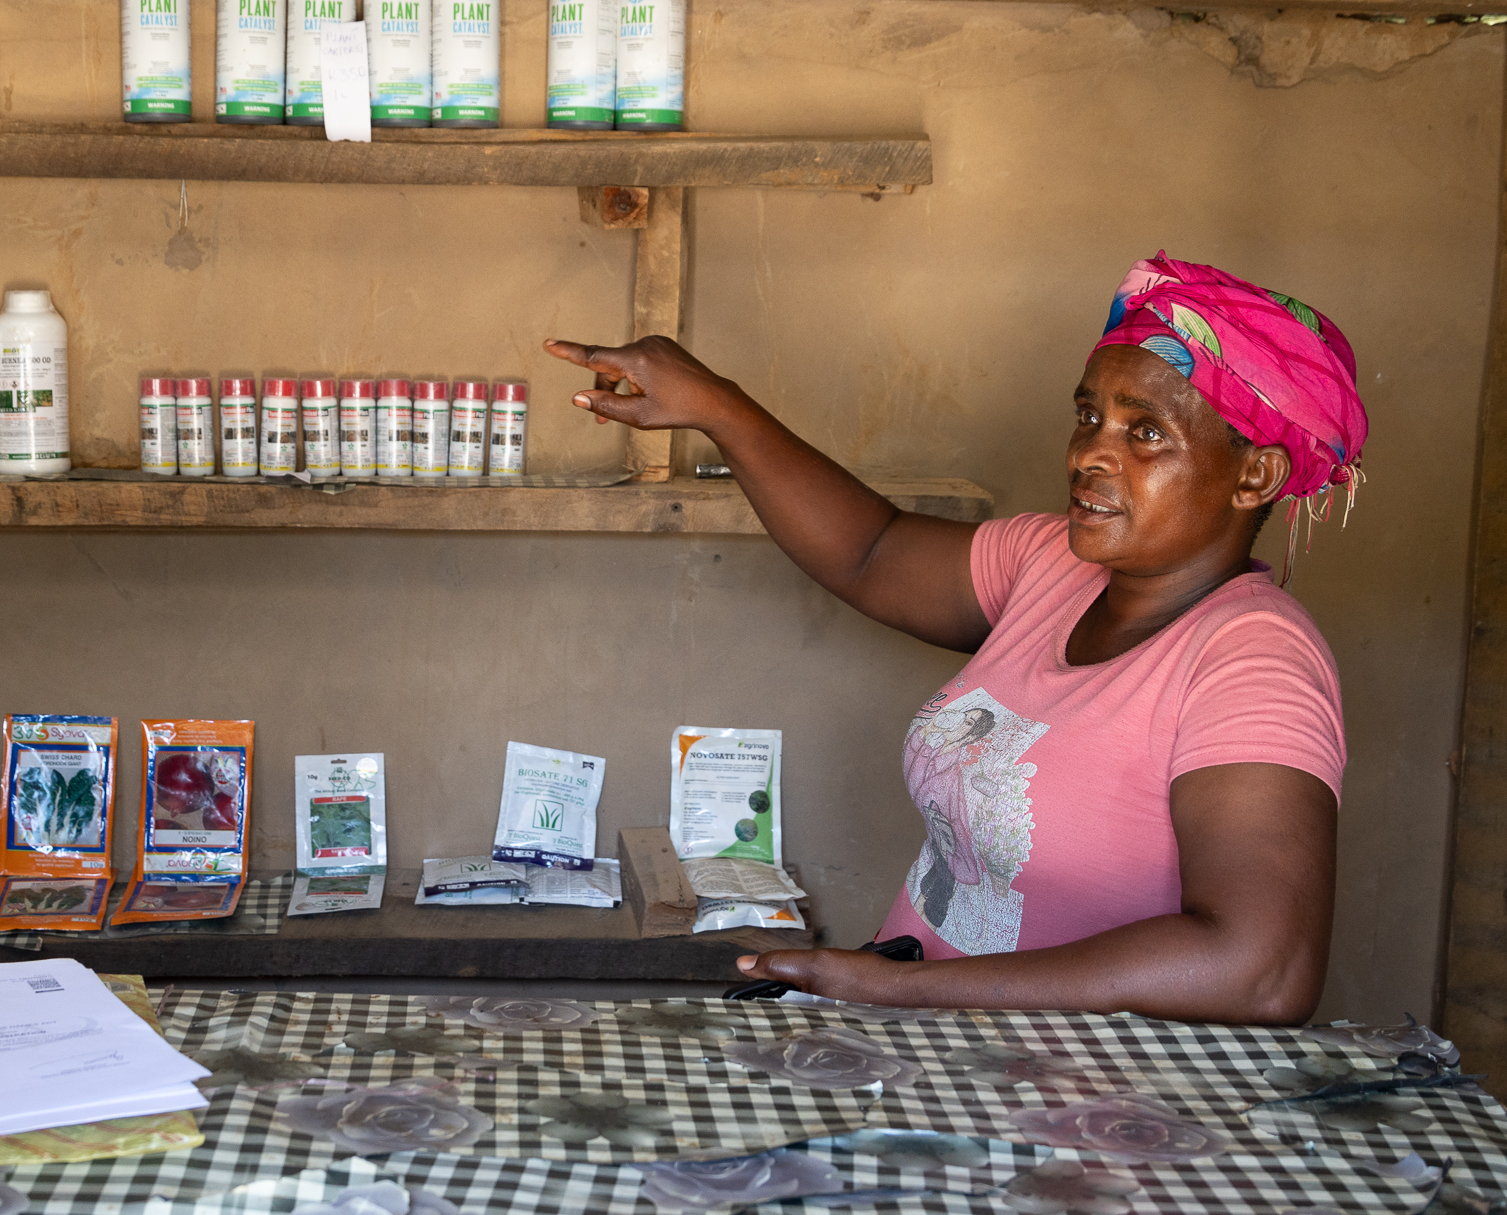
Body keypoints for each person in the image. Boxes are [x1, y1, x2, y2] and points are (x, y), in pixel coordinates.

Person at [548, 253, 1368, 1024]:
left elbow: (1261, 968)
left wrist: (904, 990)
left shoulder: (1252, 659)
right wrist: (719, 407)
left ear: (1255, 474)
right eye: (1090, 416)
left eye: (1145, 432)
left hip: (1081, 1097)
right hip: (938, 1048)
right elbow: (871, 552)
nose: (1091, 454)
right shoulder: (1052, 563)